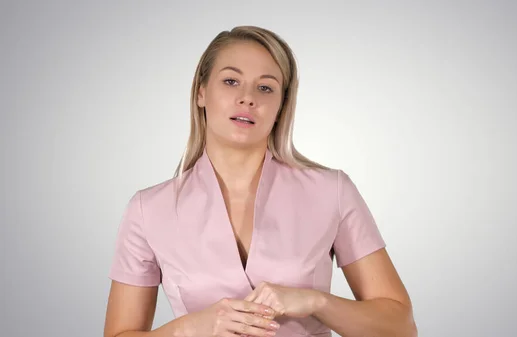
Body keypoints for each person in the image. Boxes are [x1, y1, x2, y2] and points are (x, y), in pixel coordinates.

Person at [104, 25, 417, 337]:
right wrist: (191, 327)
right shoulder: (148, 210)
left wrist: (316, 301)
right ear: (201, 92)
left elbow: (401, 327)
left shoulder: (331, 192)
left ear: (281, 105)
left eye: (265, 88)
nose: (247, 98)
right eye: (230, 81)